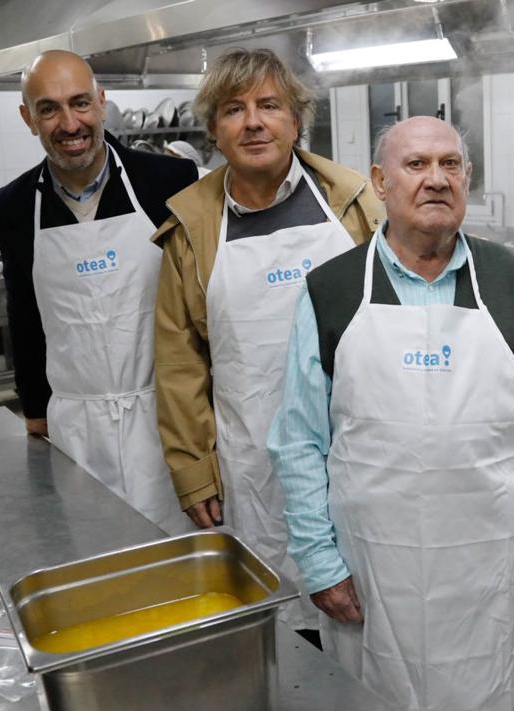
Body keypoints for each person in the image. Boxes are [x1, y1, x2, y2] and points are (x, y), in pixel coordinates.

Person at [267, 116, 514, 711]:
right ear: (379, 184)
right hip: (374, 574)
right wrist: (318, 561)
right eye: (415, 165)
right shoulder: (332, 291)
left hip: (480, 568)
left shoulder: (506, 278)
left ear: (467, 181)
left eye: (451, 164)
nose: (435, 179)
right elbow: (297, 441)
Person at [153, 48, 383, 639]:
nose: (253, 122)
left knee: (370, 622)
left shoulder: (354, 207)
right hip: (251, 462)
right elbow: (180, 362)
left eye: (269, 105)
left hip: (357, 453)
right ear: (214, 130)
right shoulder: (192, 228)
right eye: (234, 109)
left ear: (295, 120)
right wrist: (192, 470)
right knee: (279, 629)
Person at [0, 50, 198, 535]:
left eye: (80, 103)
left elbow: (200, 303)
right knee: (97, 559)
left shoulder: (169, 182)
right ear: (28, 119)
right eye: (49, 108)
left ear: (102, 103)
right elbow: (23, 311)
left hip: (168, 417)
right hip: (76, 427)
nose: (70, 123)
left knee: (182, 562)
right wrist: (34, 408)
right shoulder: (13, 206)